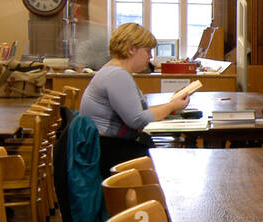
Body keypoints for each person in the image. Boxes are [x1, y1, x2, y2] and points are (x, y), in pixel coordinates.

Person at [79, 23, 191, 175]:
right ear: (132, 49)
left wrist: (173, 105)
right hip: (110, 151)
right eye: (147, 51)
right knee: (175, 167)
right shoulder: (117, 75)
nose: (150, 57)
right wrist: (171, 107)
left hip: (107, 147)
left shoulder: (114, 71)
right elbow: (137, 119)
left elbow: (140, 112)